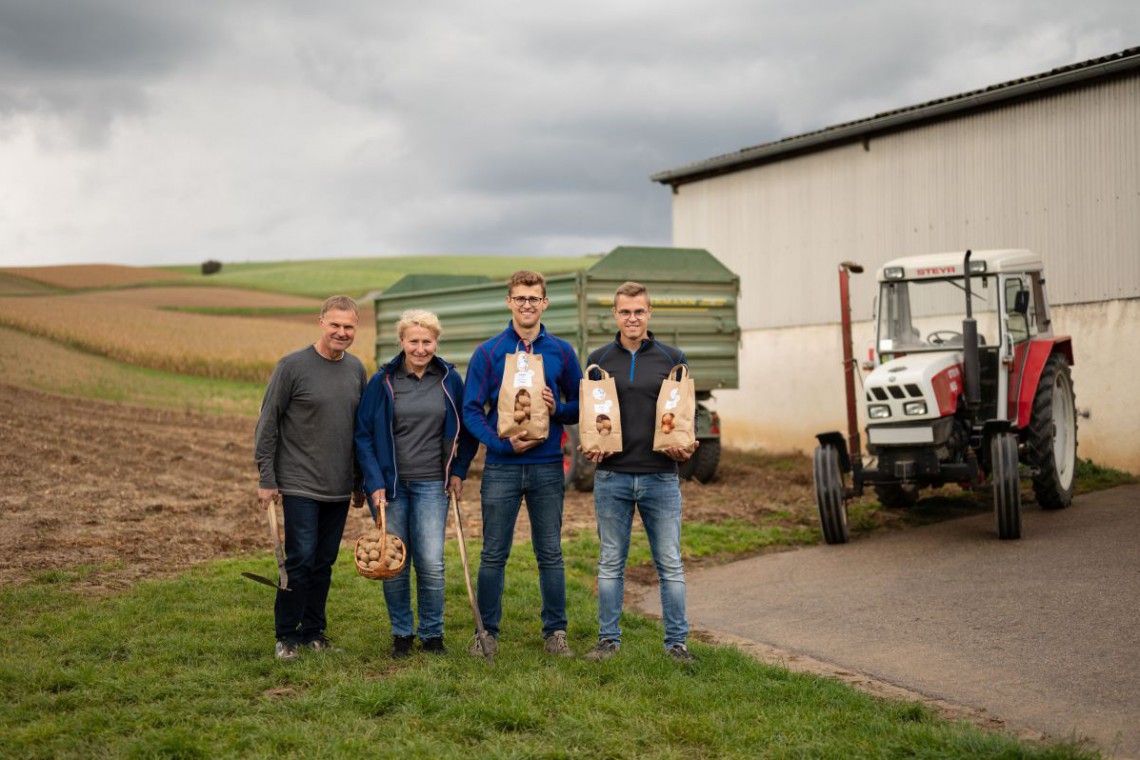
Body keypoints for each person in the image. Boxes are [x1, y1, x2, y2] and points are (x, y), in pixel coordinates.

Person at [462, 270, 583, 657]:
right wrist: (499, 444)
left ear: (545, 303)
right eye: (520, 298)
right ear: (509, 302)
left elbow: (580, 406)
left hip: (548, 466)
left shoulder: (562, 352)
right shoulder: (488, 352)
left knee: (550, 552)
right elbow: (471, 410)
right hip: (502, 467)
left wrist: (557, 407)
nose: (527, 305)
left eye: (534, 299)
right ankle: (486, 633)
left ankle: (555, 633)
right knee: (494, 552)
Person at [581, 282, 698, 663]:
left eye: (639, 311)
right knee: (611, 562)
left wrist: (688, 446)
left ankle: (677, 644)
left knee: (670, 563)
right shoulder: (598, 359)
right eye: (625, 311)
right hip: (612, 476)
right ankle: (608, 641)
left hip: (660, 476)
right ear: (615, 315)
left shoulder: (672, 357)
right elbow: (590, 417)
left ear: (649, 314)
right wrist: (589, 444)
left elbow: (682, 417)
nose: (632, 318)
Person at [354, 309, 478, 659]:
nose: (421, 348)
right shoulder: (383, 381)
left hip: (431, 486)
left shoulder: (450, 379)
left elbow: (467, 431)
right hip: (390, 487)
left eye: (427, 341)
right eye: (414, 341)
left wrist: (459, 470)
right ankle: (402, 634)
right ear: (402, 342)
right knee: (392, 562)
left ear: (436, 342)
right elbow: (363, 435)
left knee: (431, 562)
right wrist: (373, 481)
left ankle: (433, 634)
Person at [254, 295, 368, 661]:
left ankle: (314, 631)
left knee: (323, 561)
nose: (341, 332)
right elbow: (268, 423)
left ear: (356, 328)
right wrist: (267, 478)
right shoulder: (292, 367)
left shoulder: (356, 370)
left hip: (337, 486)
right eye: (335, 324)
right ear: (321, 322)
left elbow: (358, 430)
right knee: (300, 558)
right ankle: (286, 635)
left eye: (348, 326)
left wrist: (359, 481)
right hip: (300, 481)